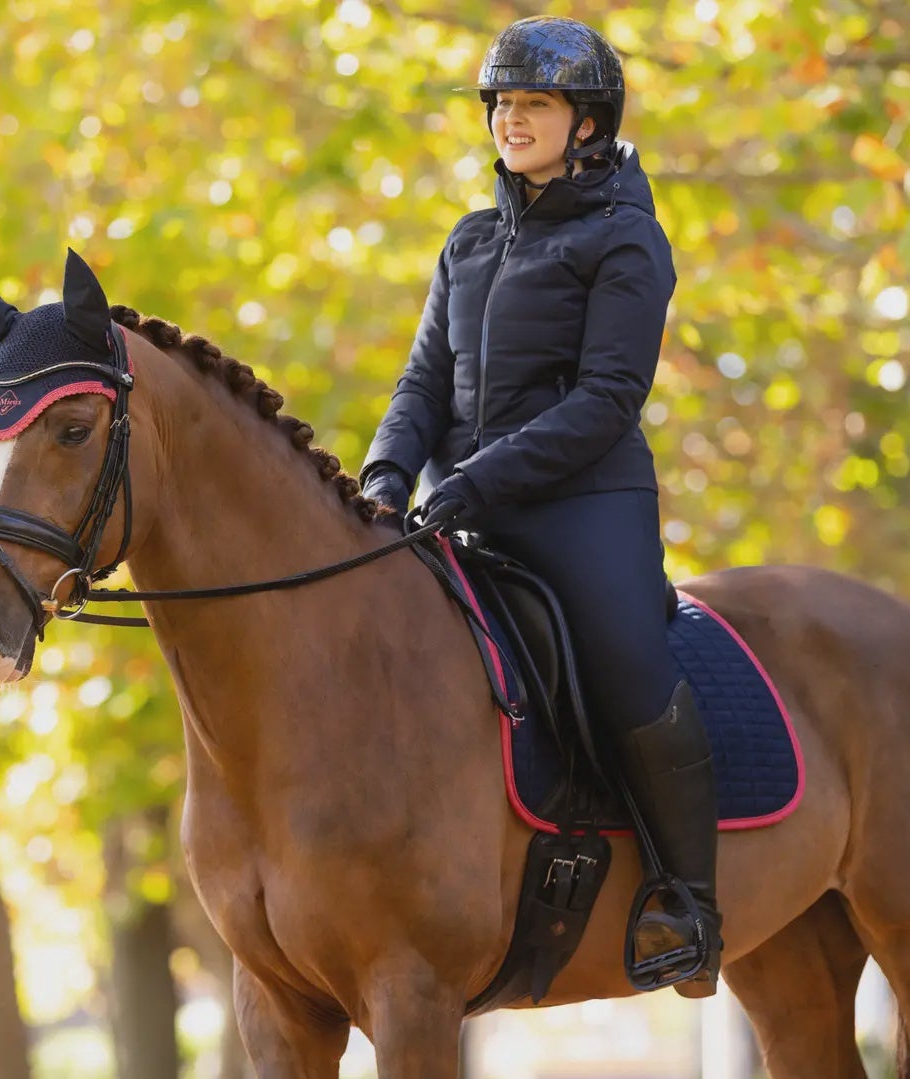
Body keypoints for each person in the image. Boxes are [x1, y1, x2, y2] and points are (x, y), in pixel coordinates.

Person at [356, 15, 723, 994]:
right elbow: (421, 384)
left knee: (625, 661)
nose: (511, 121)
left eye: (535, 104)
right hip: (459, 504)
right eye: (502, 104)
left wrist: (477, 478)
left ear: (587, 123)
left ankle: (689, 902)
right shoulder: (468, 242)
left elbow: (607, 399)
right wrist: (385, 474)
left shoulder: (627, 239)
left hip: (582, 501)